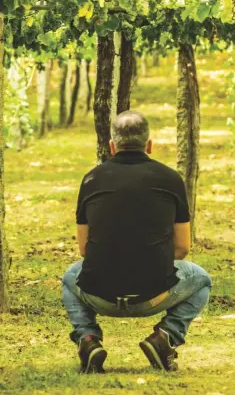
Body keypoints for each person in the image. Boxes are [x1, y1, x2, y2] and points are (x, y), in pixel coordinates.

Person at [61, 110, 212, 373]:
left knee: (68, 277)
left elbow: (84, 249)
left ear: (112, 146)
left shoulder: (91, 179)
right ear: (149, 145)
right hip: (154, 295)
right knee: (201, 280)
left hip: (100, 294)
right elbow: (183, 247)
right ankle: (166, 337)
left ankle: (88, 339)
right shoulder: (171, 179)